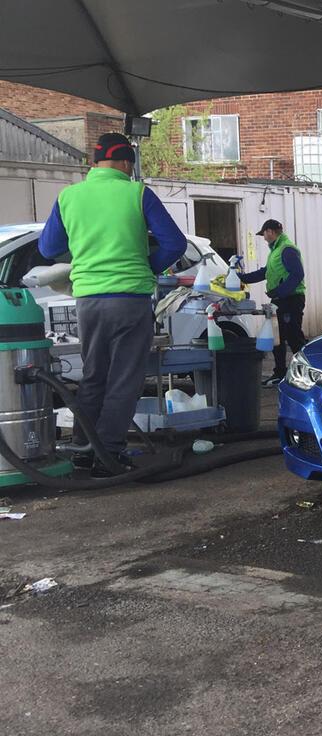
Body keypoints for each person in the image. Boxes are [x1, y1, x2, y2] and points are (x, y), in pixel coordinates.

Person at [38, 132, 186, 477]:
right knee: (124, 379)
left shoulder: (69, 196)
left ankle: (83, 451)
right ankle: (109, 455)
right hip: (129, 299)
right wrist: (146, 265)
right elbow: (175, 243)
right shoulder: (137, 193)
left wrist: (87, 258)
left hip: (88, 300)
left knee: (93, 376)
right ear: (125, 163)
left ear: (94, 163)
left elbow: (47, 249)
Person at [241, 219, 307, 387]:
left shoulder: (287, 250)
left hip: (290, 299)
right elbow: (266, 272)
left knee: (294, 337)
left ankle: (309, 373)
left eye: (263, 234)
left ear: (270, 231)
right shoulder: (276, 251)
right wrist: (242, 278)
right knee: (277, 338)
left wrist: (279, 292)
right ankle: (280, 373)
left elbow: (297, 275)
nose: (263, 238)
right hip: (280, 300)